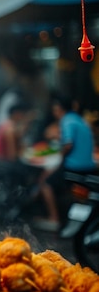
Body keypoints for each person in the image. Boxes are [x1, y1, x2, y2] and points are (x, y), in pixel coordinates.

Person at [33, 94, 98, 232]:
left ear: (61, 109)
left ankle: (54, 219)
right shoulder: (80, 120)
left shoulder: (67, 121)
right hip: (89, 166)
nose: (54, 112)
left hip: (74, 167)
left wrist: (59, 157)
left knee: (46, 184)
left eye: (56, 109)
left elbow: (68, 144)